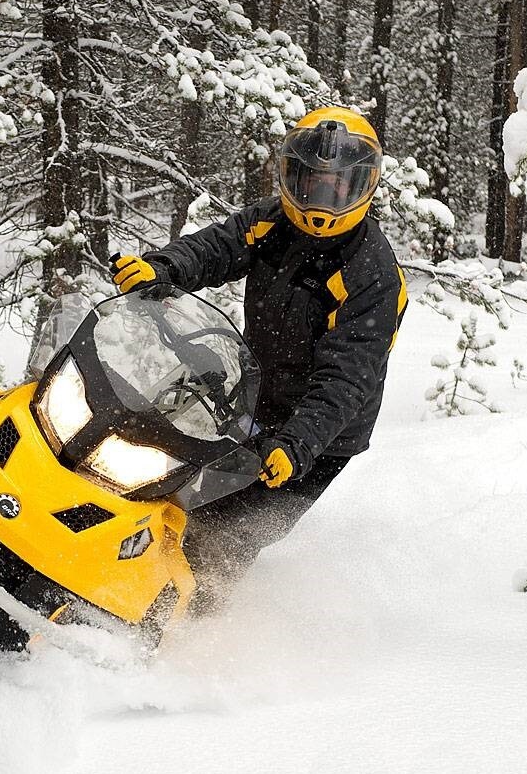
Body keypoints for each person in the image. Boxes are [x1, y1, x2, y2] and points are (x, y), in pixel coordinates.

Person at [109, 106, 407, 595]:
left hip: (319, 435)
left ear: (362, 188)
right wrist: (163, 268)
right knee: (152, 465)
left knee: (223, 534)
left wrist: (298, 443)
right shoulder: (272, 223)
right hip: (251, 393)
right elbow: (217, 248)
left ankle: (193, 624)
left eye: (337, 187)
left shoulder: (370, 274)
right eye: (310, 181)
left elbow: (347, 379)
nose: (321, 198)